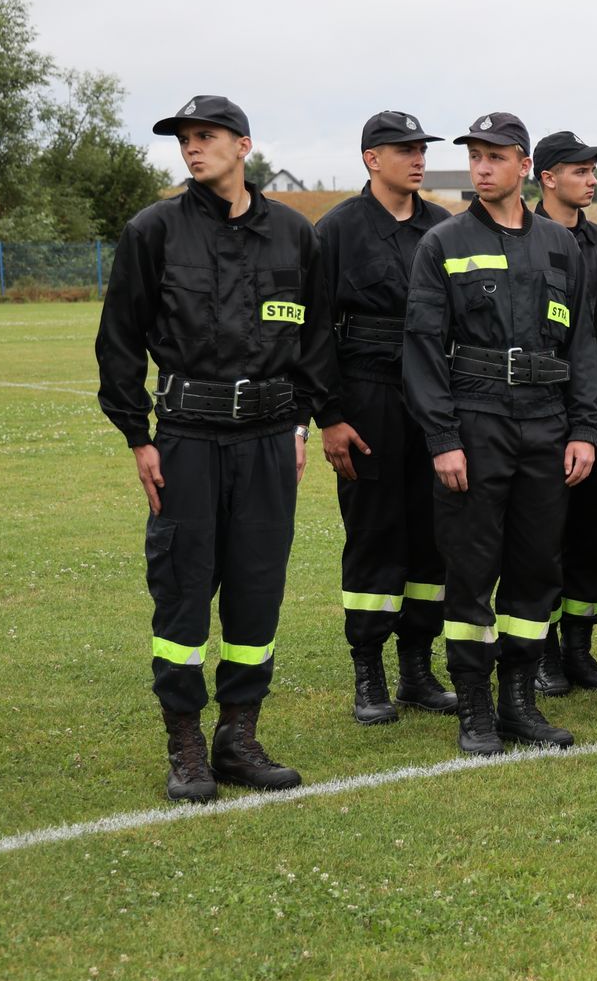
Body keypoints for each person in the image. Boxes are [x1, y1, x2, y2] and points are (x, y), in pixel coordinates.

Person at [96, 94, 331, 802]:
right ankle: (186, 745)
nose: (193, 149)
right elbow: (118, 342)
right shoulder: (154, 231)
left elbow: (316, 342)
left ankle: (238, 735)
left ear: (243, 145)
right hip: (187, 440)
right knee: (183, 590)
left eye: (206, 137)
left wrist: (299, 425)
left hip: (267, 438)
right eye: (185, 140)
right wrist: (139, 436)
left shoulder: (295, 234)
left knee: (258, 587)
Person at [403, 112, 597, 755]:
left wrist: (584, 428)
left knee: (535, 567)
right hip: (477, 420)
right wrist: (443, 438)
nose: (482, 168)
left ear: (522, 166)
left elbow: (583, 343)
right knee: (470, 568)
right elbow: (423, 349)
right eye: (475, 158)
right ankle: (475, 710)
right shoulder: (445, 242)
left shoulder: (559, 244)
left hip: (546, 424)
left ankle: (519, 702)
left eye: (494, 157)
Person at [312, 110, 457, 726]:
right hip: (367, 395)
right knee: (374, 533)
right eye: (404, 149)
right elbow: (313, 329)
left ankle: (417, 669)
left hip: (433, 395)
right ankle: (368, 669)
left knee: (433, 535)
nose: (418, 157)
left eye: (422, 148)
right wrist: (329, 416)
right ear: (372, 158)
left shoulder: (446, 227)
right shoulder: (337, 230)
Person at [526, 130, 597, 697]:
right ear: (548, 177)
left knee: (592, 539)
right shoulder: (527, 239)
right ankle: (540, 653)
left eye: (594, 171)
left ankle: (579, 651)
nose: (591, 179)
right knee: (544, 540)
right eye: (580, 170)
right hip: (541, 416)